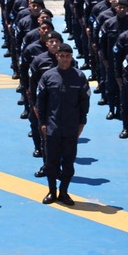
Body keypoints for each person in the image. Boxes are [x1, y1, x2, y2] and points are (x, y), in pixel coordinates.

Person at [35, 43, 89, 206]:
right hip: (52, 127)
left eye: (67, 56)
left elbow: (84, 102)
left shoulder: (79, 77)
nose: (65, 59)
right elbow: (41, 101)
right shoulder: (48, 76)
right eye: (62, 56)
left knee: (68, 163)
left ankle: (64, 192)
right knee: (51, 162)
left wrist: (82, 123)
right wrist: (42, 123)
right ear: (57, 56)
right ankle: (52, 191)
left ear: (71, 57)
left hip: (71, 127)